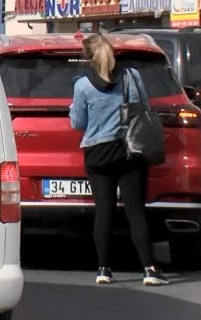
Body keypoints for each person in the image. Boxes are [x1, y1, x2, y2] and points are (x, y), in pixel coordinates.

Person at [70, 33, 168, 286]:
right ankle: (150, 270)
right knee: (136, 212)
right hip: (130, 151)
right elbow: (143, 108)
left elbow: (78, 123)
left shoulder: (82, 85)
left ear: (88, 58)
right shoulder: (132, 76)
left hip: (98, 153)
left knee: (104, 212)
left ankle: (104, 269)